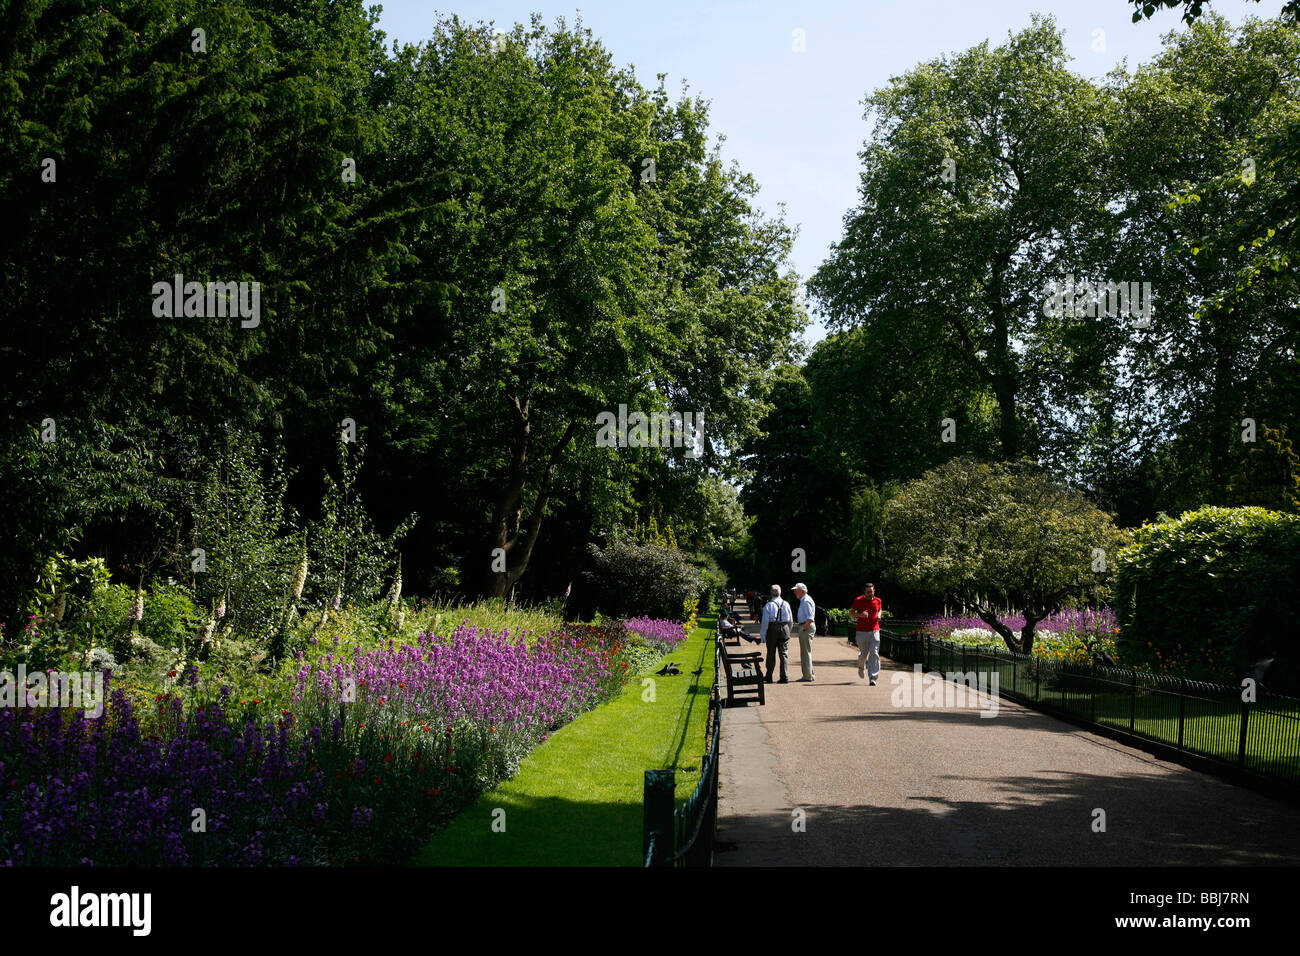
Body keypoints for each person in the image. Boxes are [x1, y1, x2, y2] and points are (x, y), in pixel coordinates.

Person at [850, 583, 883, 685]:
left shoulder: (878, 600)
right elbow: (851, 613)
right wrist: (860, 615)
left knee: (874, 652)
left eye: (872, 591)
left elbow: (880, 609)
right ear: (864, 592)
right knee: (863, 654)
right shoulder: (858, 600)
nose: (870, 594)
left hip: (875, 630)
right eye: (868, 592)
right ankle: (861, 666)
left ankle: (873, 677)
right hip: (861, 632)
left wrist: (879, 614)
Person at [759, 585, 793, 683]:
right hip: (784, 627)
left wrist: (763, 634)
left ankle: (769, 676)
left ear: (771, 593)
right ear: (780, 592)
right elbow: (790, 620)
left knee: (771, 652)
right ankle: (784, 676)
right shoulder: (786, 604)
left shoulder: (769, 605)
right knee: (784, 653)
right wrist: (788, 631)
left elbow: (765, 621)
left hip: (772, 628)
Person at [791, 582, 816, 682]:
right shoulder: (804, 600)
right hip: (805, 626)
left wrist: (804, 628)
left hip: (806, 626)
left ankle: (807, 676)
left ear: (801, 591)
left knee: (805, 653)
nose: (794, 592)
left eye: (796, 590)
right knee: (806, 652)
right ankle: (809, 674)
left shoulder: (806, 601)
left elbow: (810, 618)